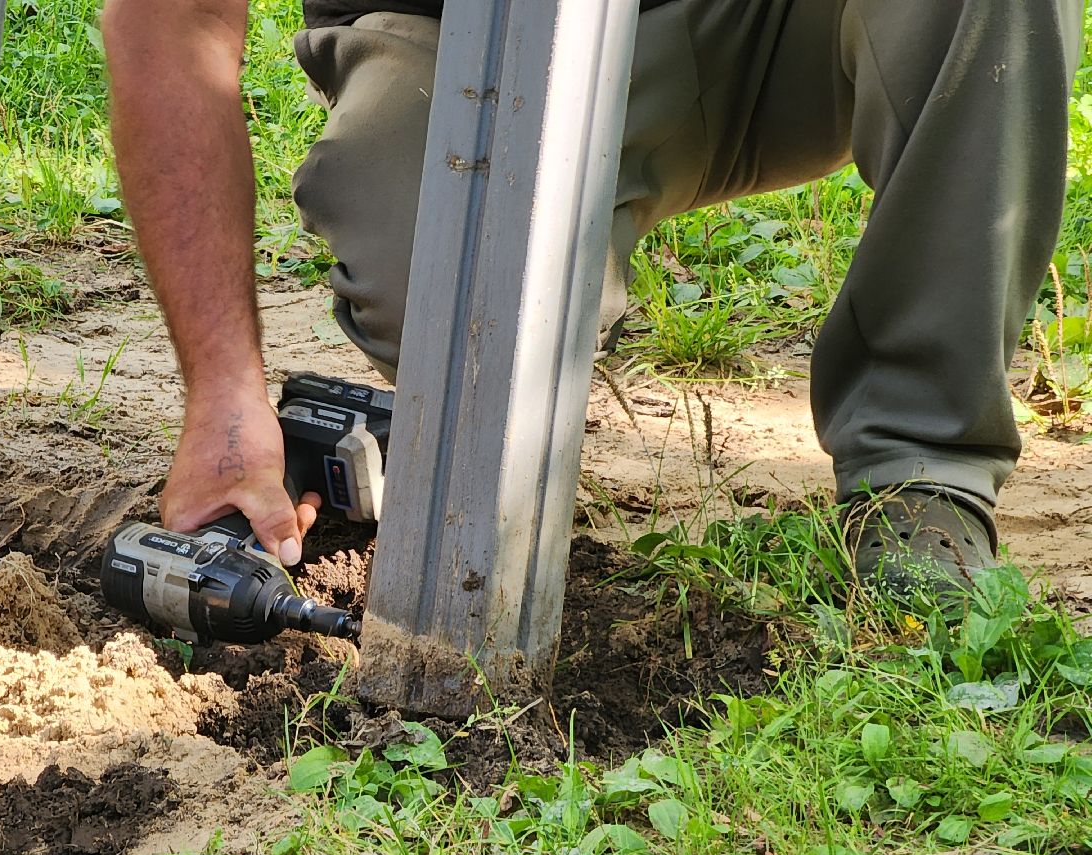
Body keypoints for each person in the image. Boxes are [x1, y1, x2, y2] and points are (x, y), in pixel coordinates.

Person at [102, 0, 1084, 595]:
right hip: (453, 45)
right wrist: (225, 395)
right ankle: (498, 357)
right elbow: (171, 27)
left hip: (750, 31)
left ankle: (921, 475)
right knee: (456, 306)